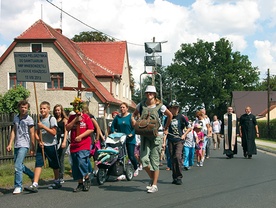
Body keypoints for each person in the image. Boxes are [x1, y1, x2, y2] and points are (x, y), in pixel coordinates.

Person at [132, 85, 172, 193]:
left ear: (154, 94)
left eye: (151, 93)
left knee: (154, 161)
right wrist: (134, 121)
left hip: (156, 135)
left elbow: (170, 115)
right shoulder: (141, 105)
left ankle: (154, 185)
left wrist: (165, 127)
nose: (149, 95)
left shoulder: (160, 106)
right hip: (144, 135)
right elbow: (133, 115)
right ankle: (152, 178)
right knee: (144, 160)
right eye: (147, 93)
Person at [25, 101, 61, 193]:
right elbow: (37, 133)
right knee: (38, 163)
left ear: (48, 109)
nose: (42, 110)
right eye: (41, 108)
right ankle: (35, 184)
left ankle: (57, 181)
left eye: (44, 108)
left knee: (54, 164)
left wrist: (43, 127)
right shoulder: (39, 118)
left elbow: (53, 133)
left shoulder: (51, 119)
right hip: (42, 145)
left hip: (51, 145)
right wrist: (39, 141)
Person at [6, 100, 35, 194]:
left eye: (25, 107)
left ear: (27, 109)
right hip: (17, 144)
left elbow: (32, 133)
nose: (23, 109)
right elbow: (13, 131)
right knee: (19, 165)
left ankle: (18, 185)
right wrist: (10, 143)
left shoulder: (29, 119)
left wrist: (32, 147)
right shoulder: (16, 118)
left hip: (25, 144)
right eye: (22, 107)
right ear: (19, 108)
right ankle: (32, 175)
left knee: (17, 165)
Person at [66, 98, 94, 192]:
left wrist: (81, 136)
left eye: (77, 106)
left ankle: (86, 178)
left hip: (84, 144)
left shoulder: (86, 117)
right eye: (74, 106)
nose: (76, 108)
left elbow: (91, 129)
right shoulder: (71, 117)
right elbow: (67, 128)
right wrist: (75, 120)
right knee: (75, 164)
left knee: (81, 161)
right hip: (74, 144)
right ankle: (80, 183)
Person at [163, 100, 191, 185]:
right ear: (170, 109)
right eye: (174, 108)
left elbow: (189, 127)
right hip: (171, 140)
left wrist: (184, 135)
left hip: (179, 140)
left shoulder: (181, 117)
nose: (176, 110)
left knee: (178, 156)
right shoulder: (168, 118)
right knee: (173, 159)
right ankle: (174, 177)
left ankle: (179, 177)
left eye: (177, 108)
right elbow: (165, 129)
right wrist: (164, 140)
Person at [111, 102, 139, 177]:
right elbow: (112, 126)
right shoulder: (117, 117)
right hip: (120, 139)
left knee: (131, 156)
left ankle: (136, 167)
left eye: (123, 107)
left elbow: (135, 127)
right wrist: (113, 132)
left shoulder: (130, 116)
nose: (122, 109)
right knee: (120, 156)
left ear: (127, 108)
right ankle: (121, 171)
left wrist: (131, 134)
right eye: (121, 107)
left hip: (130, 139)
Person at [82, 104, 105, 176]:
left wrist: (98, 137)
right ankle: (88, 170)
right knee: (86, 155)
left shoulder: (90, 117)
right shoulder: (80, 117)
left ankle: (93, 170)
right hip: (86, 137)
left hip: (93, 137)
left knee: (92, 155)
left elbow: (97, 127)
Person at [53, 104, 68, 183]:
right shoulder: (54, 119)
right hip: (56, 139)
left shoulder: (64, 120)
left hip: (63, 139)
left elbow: (66, 131)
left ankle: (61, 176)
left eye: (58, 110)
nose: (57, 112)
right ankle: (57, 175)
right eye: (56, 110)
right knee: (57, 158)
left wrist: (64, 141)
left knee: (61, 158)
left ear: (61, 111)